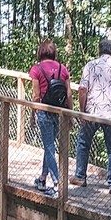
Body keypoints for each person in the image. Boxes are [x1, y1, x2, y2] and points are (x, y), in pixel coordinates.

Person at [72, 37, 111, 194]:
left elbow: (82, 89)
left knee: (83, 143)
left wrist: (82, 111)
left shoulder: (90, 65)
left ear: (99, 50)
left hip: (92, 112)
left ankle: (80, 176)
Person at [30, 40, 71, 192]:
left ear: (40, 52)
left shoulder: (36, 70)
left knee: (49, 147)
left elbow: (36, 96)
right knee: (49, 146)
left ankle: (56, 183)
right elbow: (68, 94)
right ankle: (42, 178)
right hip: (59, 112)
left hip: (44, 111)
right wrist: (70, 115)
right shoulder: (63, 68)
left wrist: (32, 114)